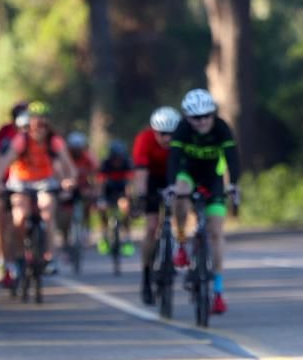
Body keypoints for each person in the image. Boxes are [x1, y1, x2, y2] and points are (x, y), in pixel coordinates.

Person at [167, 89, 240, 315]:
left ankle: (218, 291)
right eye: (196, 118)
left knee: (216, 232)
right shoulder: (182, 129)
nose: (202, 122)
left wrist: (234, 184)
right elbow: (174, 158)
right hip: (188, 174)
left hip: (212, 178)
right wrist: (171, 184)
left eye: (207, 116)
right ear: (187, 117)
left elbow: (232, 158)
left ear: (213, 115)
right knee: (180, 191)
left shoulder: (221, 128)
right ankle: (180, 241)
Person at [0, 101, 77, 280]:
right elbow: (4, 162)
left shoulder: (54, 140)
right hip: (20, 181)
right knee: (19, 217)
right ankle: (20, 256)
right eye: (36, 122)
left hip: (45, 180)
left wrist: (70, 180)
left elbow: (69, 166)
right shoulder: (21, 139)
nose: (40, 127)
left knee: (47, 212)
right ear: (29, 122)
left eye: (44, 123)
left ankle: (49, 257)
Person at [132, 106, 181, 305]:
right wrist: (141, 196)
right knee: (152, 227)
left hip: (173, 177)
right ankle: (146, 275)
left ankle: (177, 252)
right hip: (151, 179)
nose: (168, 139)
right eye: (163, 134)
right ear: (154, 131)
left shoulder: (182, 139)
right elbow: (141, 174)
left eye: (172, 134)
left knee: (180, 215)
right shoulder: (144, 140)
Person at [0, 101, 28, 284]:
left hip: (27, 182)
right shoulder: (5, 132)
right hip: (5, 181)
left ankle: (33, 251)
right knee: (2, 219)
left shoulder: (36, 133)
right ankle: (1, 260)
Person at [60, 130, 97, 256]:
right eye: (74, 148)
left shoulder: (87, 157)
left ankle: (86, 228)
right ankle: (65, 240)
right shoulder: (65, 157)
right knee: (64, 216)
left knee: (87, 202)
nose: (76, 151)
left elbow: (95, 174)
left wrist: (93, 189)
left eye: (79, 148)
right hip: (68, 188)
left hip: (82, 187)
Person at [95, 139, 134, 256]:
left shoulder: (127, 163)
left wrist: (128, 197)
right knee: (102, 209)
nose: (118, 161)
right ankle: (104, 235)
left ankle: (127, 238)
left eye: (120, 158)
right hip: (108, 191)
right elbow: (100, 184)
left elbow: (130, 184)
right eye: (116, 158)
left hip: (122, 191)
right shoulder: (105, 164)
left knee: (125, 207)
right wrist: (100, 198)